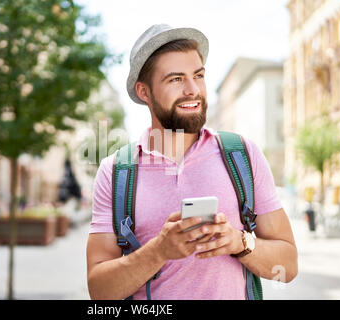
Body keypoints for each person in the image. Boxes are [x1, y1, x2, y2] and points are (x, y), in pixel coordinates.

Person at [86, 24, 298, 300]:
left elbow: (289, 266)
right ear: (144, 92)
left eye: (198, 75)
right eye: (176, 79)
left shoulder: (242, 155)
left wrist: (239, 241)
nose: (192, 90)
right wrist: (159, 250)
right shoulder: (115, 172)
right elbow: (99, 292)